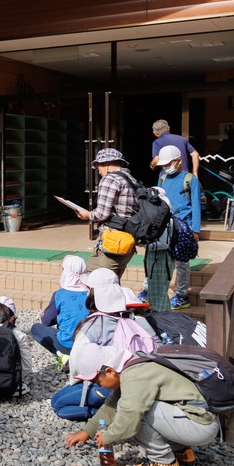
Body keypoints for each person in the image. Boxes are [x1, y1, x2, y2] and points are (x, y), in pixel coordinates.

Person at [65, 342, 220, 466]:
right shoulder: (133, 366)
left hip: (200, 426)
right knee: (130, 406)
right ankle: (180, 451)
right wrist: (87, 431)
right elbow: (111, 405)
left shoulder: (135, 376)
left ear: (110, 371)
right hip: (196, 419)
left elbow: (129, 416)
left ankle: (163, 461)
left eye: (97, 381)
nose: (97, 385)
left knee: (133, 411)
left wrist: (108, 436)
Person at [72, 148, 138, 280]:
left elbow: (102, 214)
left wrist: (87, 215)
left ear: (106, 163)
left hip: (113, 242)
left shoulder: (110, 179)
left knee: (94, 281)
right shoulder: (131, 179)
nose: (98, 170)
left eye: (98, 166)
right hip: (127, 241)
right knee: (112, 284)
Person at [156, 144, 202, 310]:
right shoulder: (162, 178)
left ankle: (182, 295)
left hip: (184, 226)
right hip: (165, 225)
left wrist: (195, 230)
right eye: (164, 164)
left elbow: (196, 205)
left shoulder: (190, 179)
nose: (166, 167)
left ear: (179, 161)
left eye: (169, 163)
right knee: (161, 259)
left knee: (182, 263)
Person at [31, 255, 90, 369]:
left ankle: (63, 356)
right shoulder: (91, 294)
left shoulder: (59, 294)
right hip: (89, 345)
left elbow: (46, 321)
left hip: (67, 344)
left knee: (35, 329)